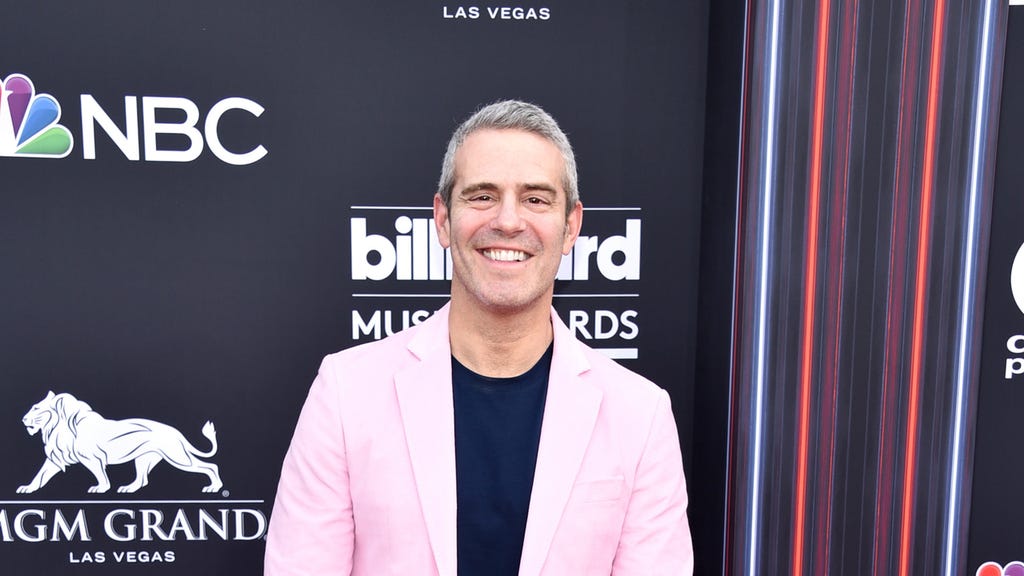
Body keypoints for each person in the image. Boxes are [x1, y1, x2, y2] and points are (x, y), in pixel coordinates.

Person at [265, 100, 693, 575]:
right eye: (482, 196)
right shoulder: (346, 393)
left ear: (571, 226)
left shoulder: (640, 415)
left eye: (535, 198)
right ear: (443, 219)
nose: (508, 221)